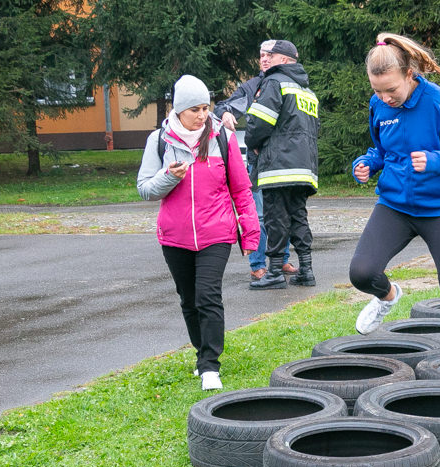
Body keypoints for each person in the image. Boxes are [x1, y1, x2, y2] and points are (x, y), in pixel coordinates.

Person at [349, 32, 440, 379]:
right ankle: (387, 296)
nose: (385, 98)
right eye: (377, 91)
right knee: (361, 273)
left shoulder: (438, 101)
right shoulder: (378, 105)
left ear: (410, 73)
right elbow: (381, 150)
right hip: (395, 205)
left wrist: (435, 161)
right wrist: (368, 163)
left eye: (392, 91)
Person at [137, 75, 260, 391]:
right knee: (188, 299)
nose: (202, 115)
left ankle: (210, 367)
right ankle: (200, 352)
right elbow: (145, 189)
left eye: (206, 107)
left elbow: (242, 189)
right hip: (174, 235)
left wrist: (249, 235)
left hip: (216, 232)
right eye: (195, 109)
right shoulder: (160, 140)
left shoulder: (222, 137)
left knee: (208, 295)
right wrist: (168, 177)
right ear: (179, 110)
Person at [214, 41, 296, 282]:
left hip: (284, 160)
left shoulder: (287, 83)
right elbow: (222, 106)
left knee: (284, 214)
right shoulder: (252, 87)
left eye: (269, 55)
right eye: (261, 55)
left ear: (281, 57)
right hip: (259, 163)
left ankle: (281, 261)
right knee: (260, 215)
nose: (264, 59)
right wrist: (226, 112)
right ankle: (258, 265)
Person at [245, 39, 320, 290]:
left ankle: (275, 272)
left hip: (278, 166)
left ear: (285, 60)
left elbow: (259, 123)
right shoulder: (308, 92)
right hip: (303, 167)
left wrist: (253, 143)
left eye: (272, 55)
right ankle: (306, 270)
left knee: (275, 218)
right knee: (299, 217)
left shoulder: (274, 83)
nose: (266, 59)